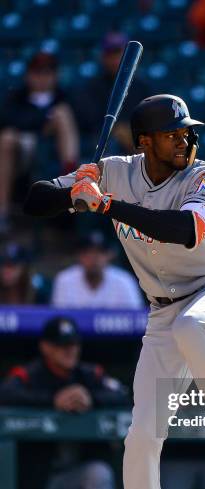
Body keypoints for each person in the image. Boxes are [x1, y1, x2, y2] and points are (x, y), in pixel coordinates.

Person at [24, 94, 205, 489]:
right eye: (175, 133)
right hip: (163, 310)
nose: (187, 139)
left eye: (189, 131)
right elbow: (35, 199)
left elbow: (188, 231)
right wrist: (75, 189)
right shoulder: (113, 170)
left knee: (193, 328)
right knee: (141, 439)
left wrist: (105, 204)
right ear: (145, 141)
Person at [0, 316, 131, 489]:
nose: (70, 350)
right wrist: (53, 400)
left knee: (99, 475)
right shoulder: (30, 375)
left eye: (73, 344)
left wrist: (91, 398)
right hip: (36, 480)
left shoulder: (89, 374)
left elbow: (123, 395)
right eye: (61, 345)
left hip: (74, 474)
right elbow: (6, 394)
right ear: (46, 347)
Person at [0, 51, 79, 232]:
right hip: (22, 151)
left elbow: (83, 121)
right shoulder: (17, 96)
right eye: (38, 72)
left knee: (62, 113)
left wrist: (43, 123)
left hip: (53, 152)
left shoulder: (64, 96)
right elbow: (7, 121)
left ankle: (72, 177)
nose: (42, 78)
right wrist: (43, 121)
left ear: (55, 75)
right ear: (29, 75)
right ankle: (2, 210)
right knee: (7, 137)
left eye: (47, 72)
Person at [71, 32, 153, 156]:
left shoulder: (142, 87)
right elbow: (90, 122)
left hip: (136, 142)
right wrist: (116, 129)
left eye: (118, 53)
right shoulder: (92, 87)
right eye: (110, 54)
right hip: (104, 142)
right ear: (103, 57)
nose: (115, 59)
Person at [51, 230, 144, 308]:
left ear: (110, 255)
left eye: (100, 252)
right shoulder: (64, 279)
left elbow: (135, 321)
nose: (93, 258)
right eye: (87, 252)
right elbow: (59, 320)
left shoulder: (124, 281)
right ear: (79, 255)